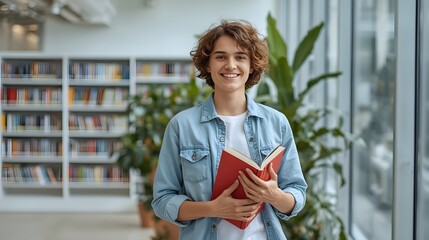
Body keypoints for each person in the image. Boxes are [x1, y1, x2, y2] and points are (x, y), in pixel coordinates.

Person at [151, 19, 307, 240]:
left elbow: (297, 193)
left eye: (240, 57)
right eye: (221, 56)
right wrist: (213, 208)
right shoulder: (181, 125)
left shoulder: (276, 123)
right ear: (207, 64)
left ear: (252, 65)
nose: (231, 65)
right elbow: (162, 200)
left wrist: (274, 196)